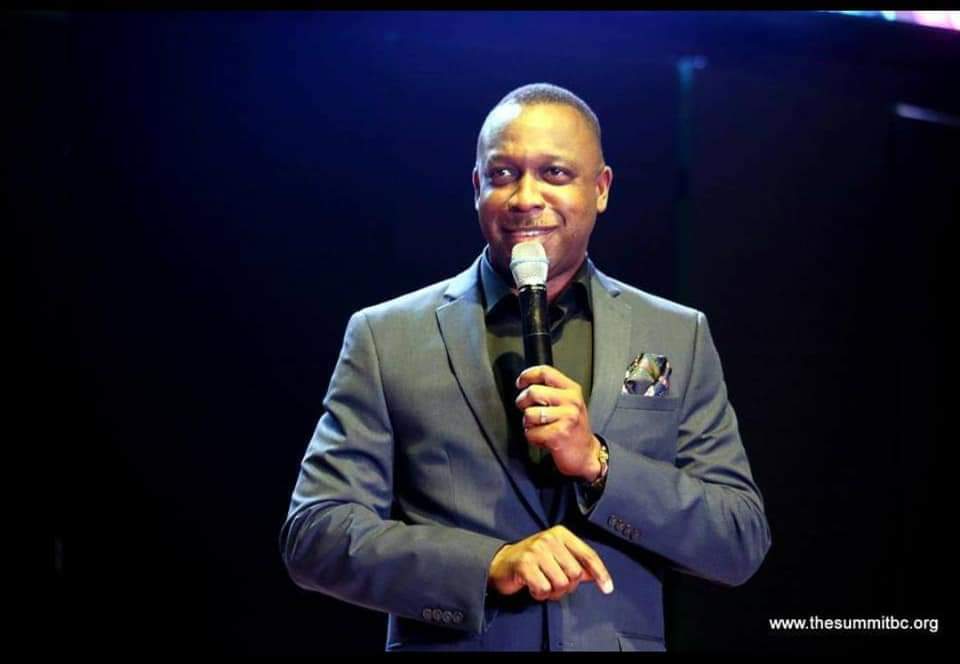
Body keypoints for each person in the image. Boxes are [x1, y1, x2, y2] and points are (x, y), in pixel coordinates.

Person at [280, 82, 771, 652]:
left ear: (601, 189)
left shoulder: (675, 335)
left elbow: (738, 540)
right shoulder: (387, 336)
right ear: (477, 187)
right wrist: (489, 564)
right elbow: (314, 535)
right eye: (504, 174)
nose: (524, 197)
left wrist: (599, 463)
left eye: (554, 173)